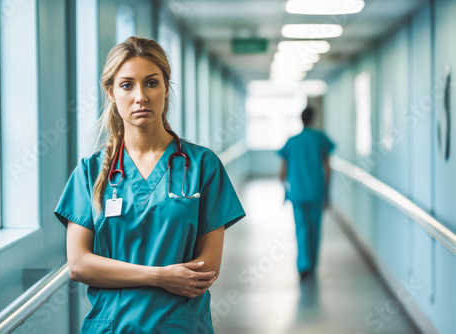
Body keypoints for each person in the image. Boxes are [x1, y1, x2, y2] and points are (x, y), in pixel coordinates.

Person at [54, 36, 245, 333]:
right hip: (112, 327)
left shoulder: (203, 166)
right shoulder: (90, 172)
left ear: (166, 88)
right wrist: (159, 276)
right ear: (111, 93)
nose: (140, 96)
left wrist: (134, 274)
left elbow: (207, 269)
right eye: (127, 85)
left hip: (179, 327)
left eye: (152, 83)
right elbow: (79, 265)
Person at [277, 106, 334, 280]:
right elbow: (327, 169)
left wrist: (285, 192)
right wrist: (327, 193)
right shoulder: (320, 139)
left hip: (298, 194)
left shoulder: (292, 142)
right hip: (316, 192)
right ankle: (313, 265)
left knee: (301, 228)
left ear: (301, 119)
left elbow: (282, 173)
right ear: (313, 119)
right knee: (315, 229)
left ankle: (304, 265)